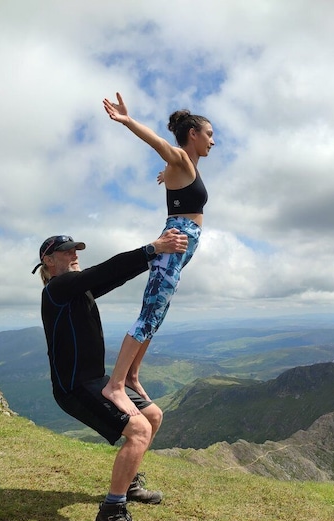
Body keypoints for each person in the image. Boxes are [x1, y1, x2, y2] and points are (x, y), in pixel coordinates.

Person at [33, 228, 188, 521]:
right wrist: (152, 249)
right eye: (66, 251)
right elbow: (105, 270)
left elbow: (111, 278)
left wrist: (153, 258)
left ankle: (128, 484)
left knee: (153, 416)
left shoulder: (75, 290)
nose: (74, 254)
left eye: (75, 249)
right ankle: (111, 516)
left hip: (97, 381)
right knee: (139, 431)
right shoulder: (58, 289)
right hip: (74, 388)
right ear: (47, 261)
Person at [101, 92, 214, 417]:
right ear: (192, 134)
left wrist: (168, 178)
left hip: (178, 255)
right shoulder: (179, 157)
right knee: (148, 314)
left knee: (157, 316)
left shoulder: (183, 166)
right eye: (209, 135)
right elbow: (156, 144)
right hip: (171, 248)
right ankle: (116, 384)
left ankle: (132, 376)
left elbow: (180, 186)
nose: (212, 142)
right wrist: (127, 121)